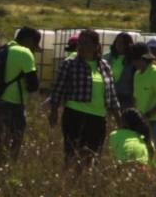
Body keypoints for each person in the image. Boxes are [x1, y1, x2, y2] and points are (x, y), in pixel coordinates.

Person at [49, 29, 121, 168]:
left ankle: (86, 182)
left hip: (98, 118)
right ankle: (71, 180)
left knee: (93, 156)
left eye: (86, 43)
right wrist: (53, 111)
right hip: (74, 116)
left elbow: (112, 96)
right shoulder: (69, 64)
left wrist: (119, 120)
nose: (81, 47)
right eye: (80, 43)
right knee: (72, 154)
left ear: (96, 47)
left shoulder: (104, 66)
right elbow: (58, 89)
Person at [0, 27, 42, 162]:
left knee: (2, 141)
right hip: (14, 105)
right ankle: (8, 171)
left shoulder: (2, 50)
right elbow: (33, 86)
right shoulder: (24, 53)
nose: (34, 47)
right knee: (15, 142)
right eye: (35, 43)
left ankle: (0, 167)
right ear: (29, 40)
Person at [104, 32, 138, 108]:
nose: (119, 44)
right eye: (117, 42)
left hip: (126, 97)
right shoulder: (106, 57)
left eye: (122, 42)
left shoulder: (133, 59)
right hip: (108, 94)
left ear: (128, 45)